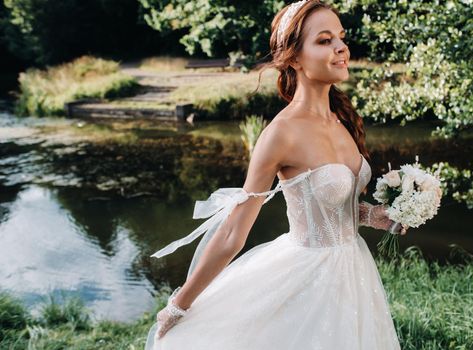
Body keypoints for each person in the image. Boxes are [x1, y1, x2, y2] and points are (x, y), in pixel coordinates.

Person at [144, 1, 407, 348]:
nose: (341, 47)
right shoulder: (280, 134)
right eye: (325, 40)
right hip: (306, 280)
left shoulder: (341, 119)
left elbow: (334, 207)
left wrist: (377, 215)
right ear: (294, 58)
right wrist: (177, 307)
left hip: (353, 270)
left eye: (341, 38)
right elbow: (232, 235)